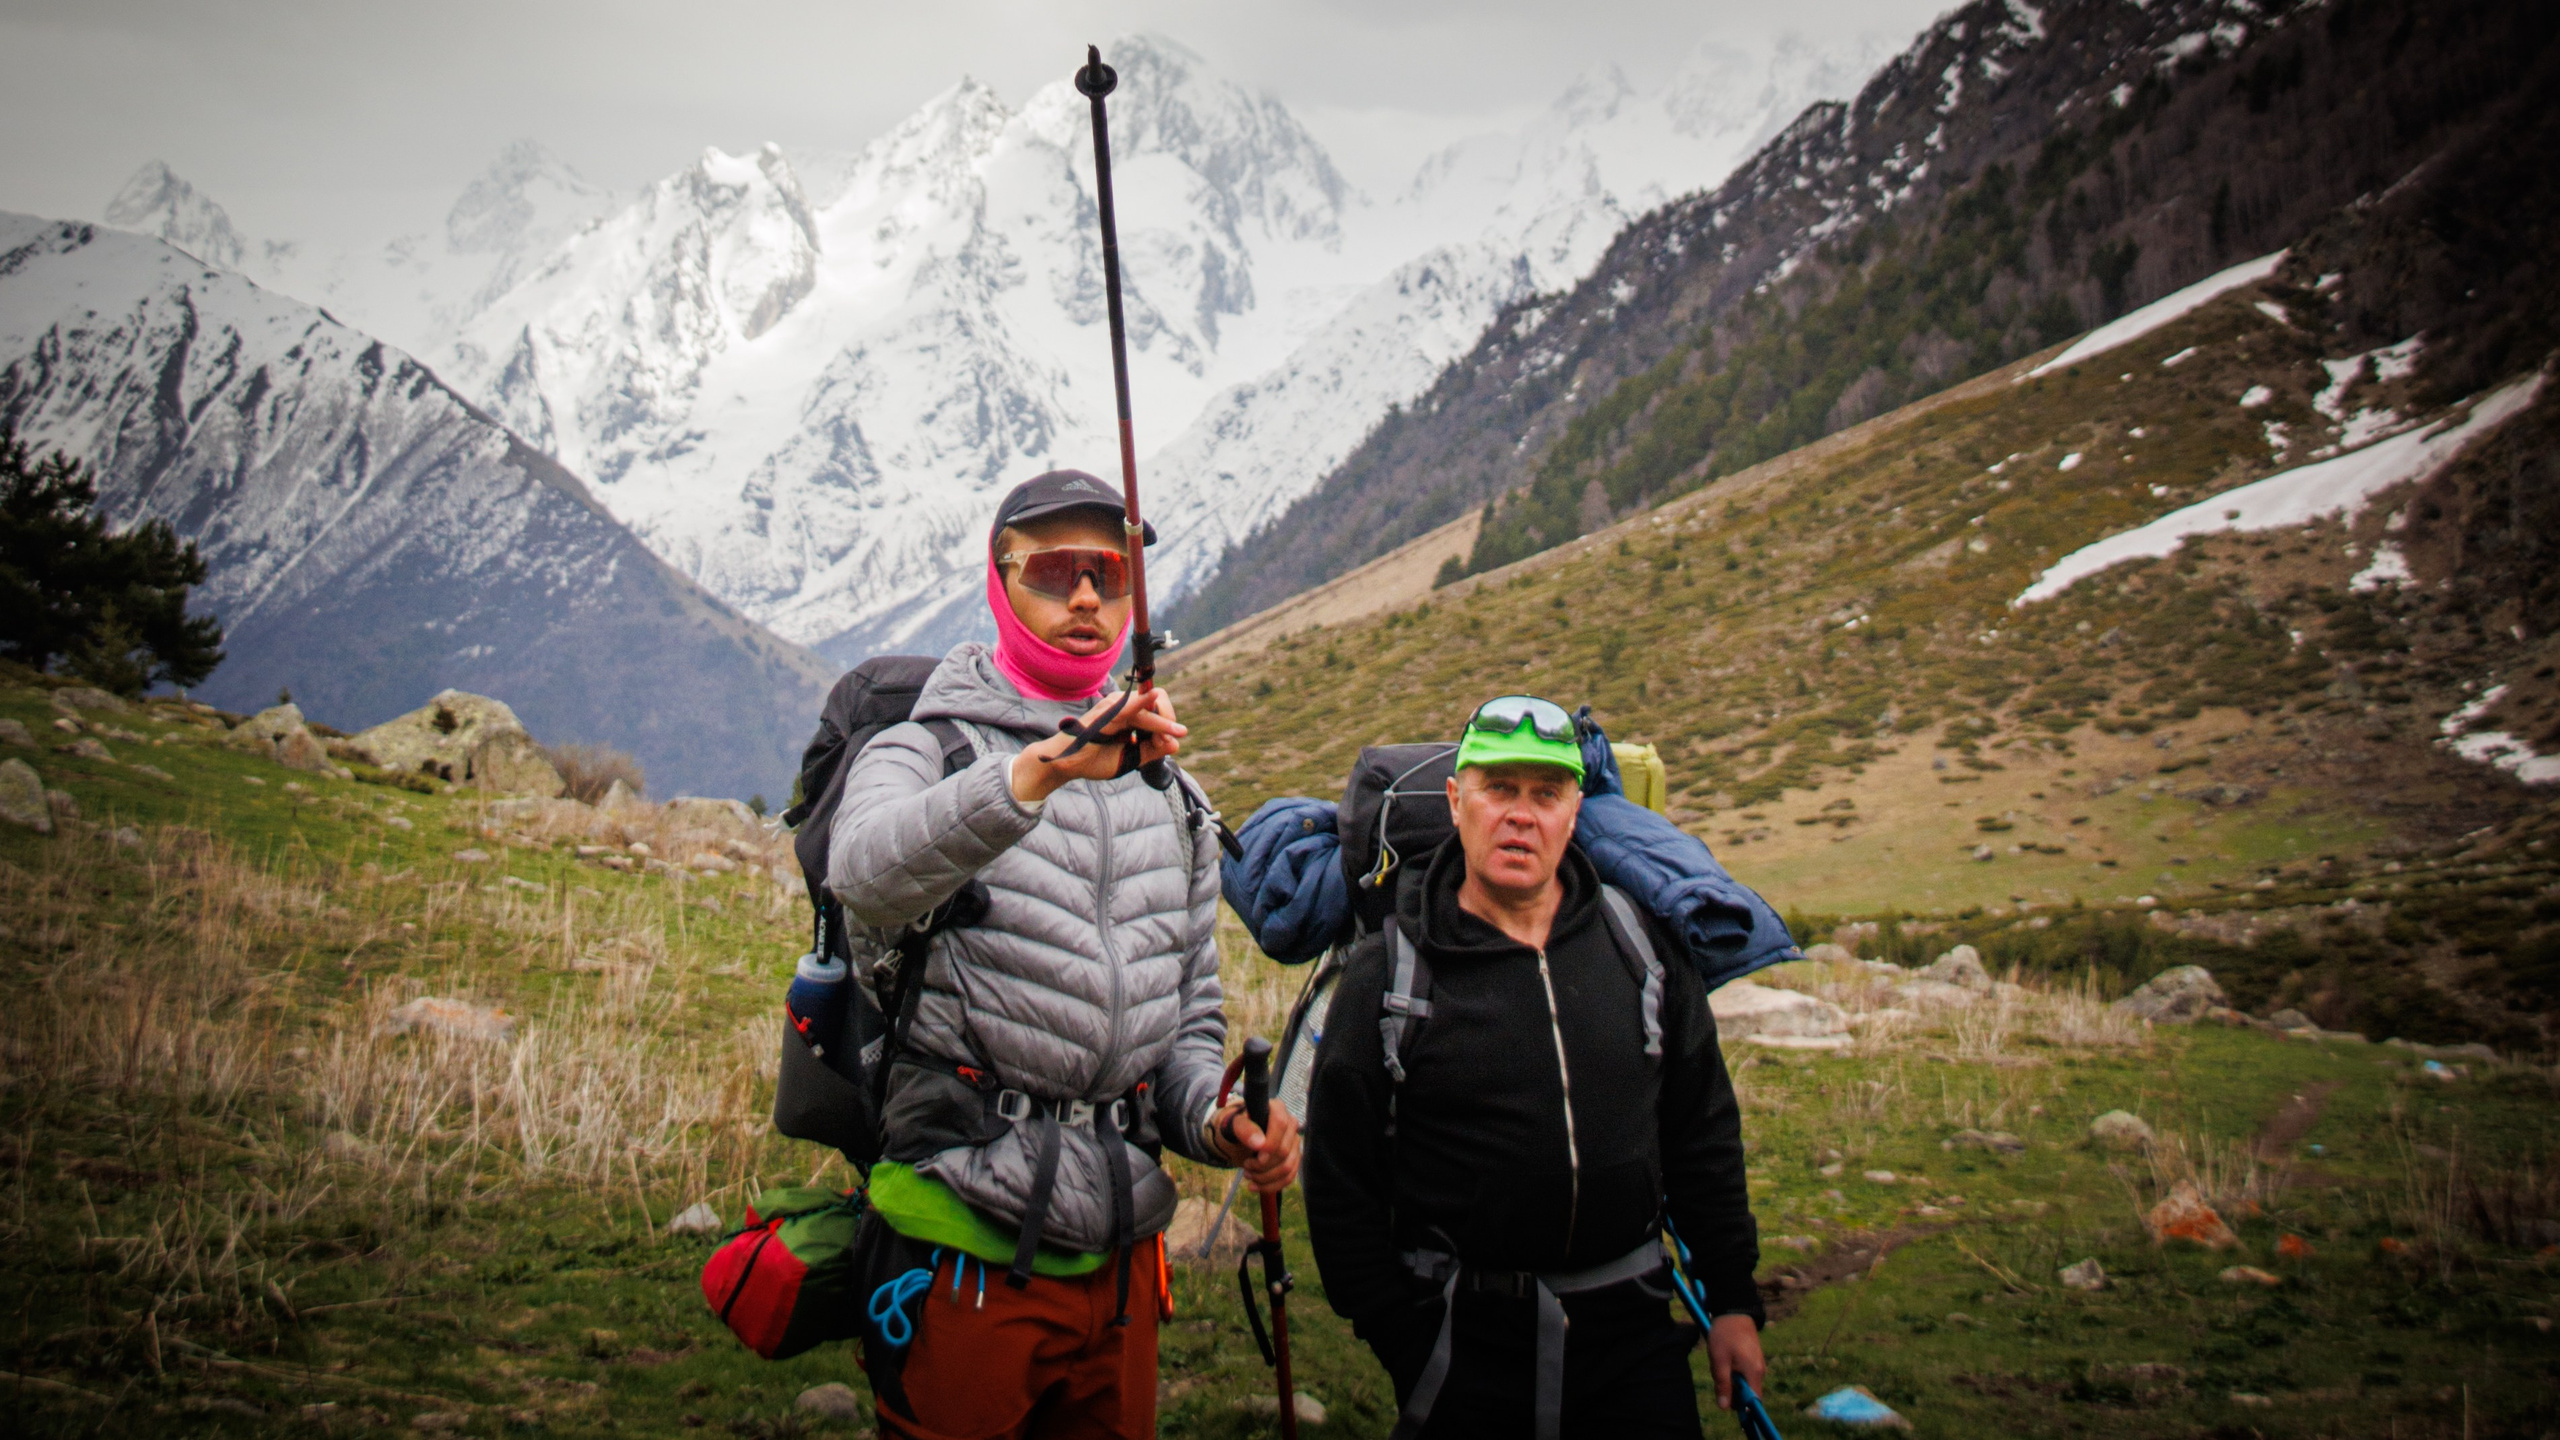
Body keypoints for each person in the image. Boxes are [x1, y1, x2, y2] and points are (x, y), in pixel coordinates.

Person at [829, 468, 1301, 1440]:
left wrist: (1216, 1120)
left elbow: (1187, 1017)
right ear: (1000, 584)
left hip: (1122, 1254)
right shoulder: (927, 746)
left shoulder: (1171, 792)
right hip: (957, 1232)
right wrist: (1038, 770)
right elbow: (863, 875)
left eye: (1110, 571)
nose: (1086, 597)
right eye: (1053, 571)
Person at [1302, 693, 1765, 1440]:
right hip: (1462, 1345)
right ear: (1457, 801)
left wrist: (1734, 1301)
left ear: (1574, 810)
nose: (1522, 815)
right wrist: (1399, 1336)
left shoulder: (1637, 947)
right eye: (1499, 789)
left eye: (1546, 793)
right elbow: (1338, 1178)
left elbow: (1701, 1130)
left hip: (1634, 1336)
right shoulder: (1390, 972)